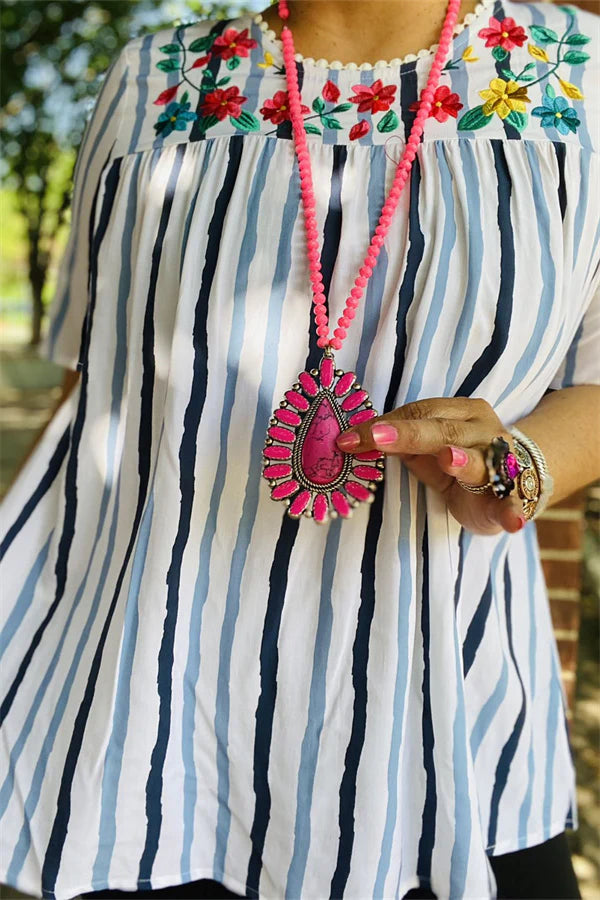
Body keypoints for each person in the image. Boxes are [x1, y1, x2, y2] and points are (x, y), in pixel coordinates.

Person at [1, 0, 599, 898]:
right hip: (149, 730)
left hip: (445, 731)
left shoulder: (576, 71)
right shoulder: (156, 79)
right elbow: (101, 391)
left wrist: (517, 464)